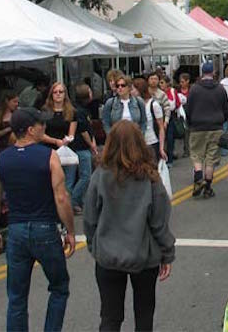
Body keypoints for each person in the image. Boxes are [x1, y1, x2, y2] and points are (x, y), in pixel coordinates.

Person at [0, 107, 76, 332]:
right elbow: (61, 196)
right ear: (30, 130)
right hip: (44, 227)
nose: (44, 127)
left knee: (16, 296)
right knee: (59, 287)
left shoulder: (1, 160)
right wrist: (70, 230)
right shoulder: (49, 156)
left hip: (16, 230)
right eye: (40, 124)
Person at [83, 121, 175, 332]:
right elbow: (159, 223)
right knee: (144, 313)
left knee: (110, 315)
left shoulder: (100, 176)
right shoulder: (150, 179)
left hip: (108, 254)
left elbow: (90, 217)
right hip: (143, 255)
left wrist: (94, 244)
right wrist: (167, 253)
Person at [184, 62, 228, 198]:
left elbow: (188, 108)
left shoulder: (194, 89)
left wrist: (190, 121)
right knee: (211, 158)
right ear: (213, 73)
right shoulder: (220, 89)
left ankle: (199, 179)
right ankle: (208, 187)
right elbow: (226, 108)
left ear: (202, 73)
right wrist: (222, 120)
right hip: (216, 126)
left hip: (197, 126)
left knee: (197, 155)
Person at [64, 83, 98, 215]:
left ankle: (74, 202)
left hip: (72, 148)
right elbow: (84, 131)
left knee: (70, 178)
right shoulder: (81, 112)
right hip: (81, 148)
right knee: (85, 176)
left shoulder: (74, 109)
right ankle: (73, 201)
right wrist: (91, 144)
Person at [132, 78, 167, 164]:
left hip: (151, 142)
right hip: (136, 144)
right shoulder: (133, 105)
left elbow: (161, 128)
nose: (131, 91)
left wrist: (161, 148)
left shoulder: (153, 105)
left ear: (139, 90)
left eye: (133, 89)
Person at [42, 83, 78, 149]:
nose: (58, 94)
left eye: (61, 92)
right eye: (55, 92)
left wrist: (67, 140)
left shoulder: (72, 112)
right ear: (51, 95)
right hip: (49, 149)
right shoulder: (45, 111)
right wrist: (55, 141)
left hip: (66, 149)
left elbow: (71, 134)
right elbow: (41, 134)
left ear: (65, 94)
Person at [159, 76, 185, 164]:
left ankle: (170, 159)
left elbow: (177, 103)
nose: (160, 84)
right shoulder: (158, 93)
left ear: (167, 83)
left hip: (171, 117)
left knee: (170, 138)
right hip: (160, 117)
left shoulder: (173, 91)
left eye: (162, 82)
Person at [177, 73, 191, 158]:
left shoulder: (191, 90)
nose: (181, 83)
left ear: (187, 81)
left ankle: (187, 150)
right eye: (180, 82)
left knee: (188, 132)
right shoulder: (177, 90)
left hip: (189, 111)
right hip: (179, 112)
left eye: (182, 82)